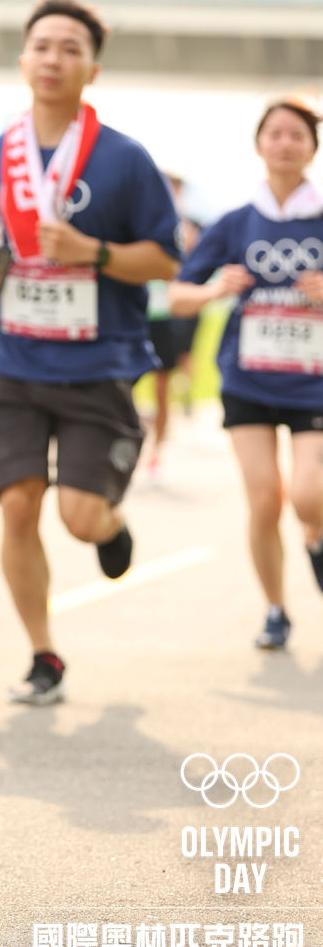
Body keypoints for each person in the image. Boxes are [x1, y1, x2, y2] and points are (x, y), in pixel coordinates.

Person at [0, 0, 181, 704]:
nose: (53, 59)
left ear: (92, 68)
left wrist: (93, 252)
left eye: (70, 48)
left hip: (98, 363)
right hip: (10, 358)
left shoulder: (124, 159)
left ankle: (111, 526)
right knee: (18, 505)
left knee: (80, 518)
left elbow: (164, 259)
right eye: (42, 46)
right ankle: (43, 655)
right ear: (22, 60)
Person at [169, 98, 323, 650]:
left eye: (297, 135)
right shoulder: (236, 222)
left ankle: (315, 539)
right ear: (259, 144)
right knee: (263, 502)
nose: (285, 143)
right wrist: (215, 289)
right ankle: (276, 609)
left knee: (308, 496)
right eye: (274, 133)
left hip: (313, 383)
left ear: (312, 148)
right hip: (247, 380)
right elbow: (178, 294)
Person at [142, 174, 202, 482]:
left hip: (165, 318)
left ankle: (156, 453)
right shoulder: (139, 217)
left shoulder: (185, 227)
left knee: (162, 389)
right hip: (137, 315)